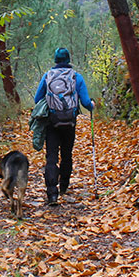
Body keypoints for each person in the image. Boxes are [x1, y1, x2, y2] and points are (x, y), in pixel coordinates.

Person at [33, 47, 95, 205]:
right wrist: (92, 105)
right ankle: (64, 187)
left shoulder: (48, 76)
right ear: (68, 59)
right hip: (70, 122)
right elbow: (86, 102)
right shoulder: (76, 77)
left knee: (51, 157)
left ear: (55, 60)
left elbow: (37, 99)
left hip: (52, 122)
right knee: (67, 155)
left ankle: (52, 194)